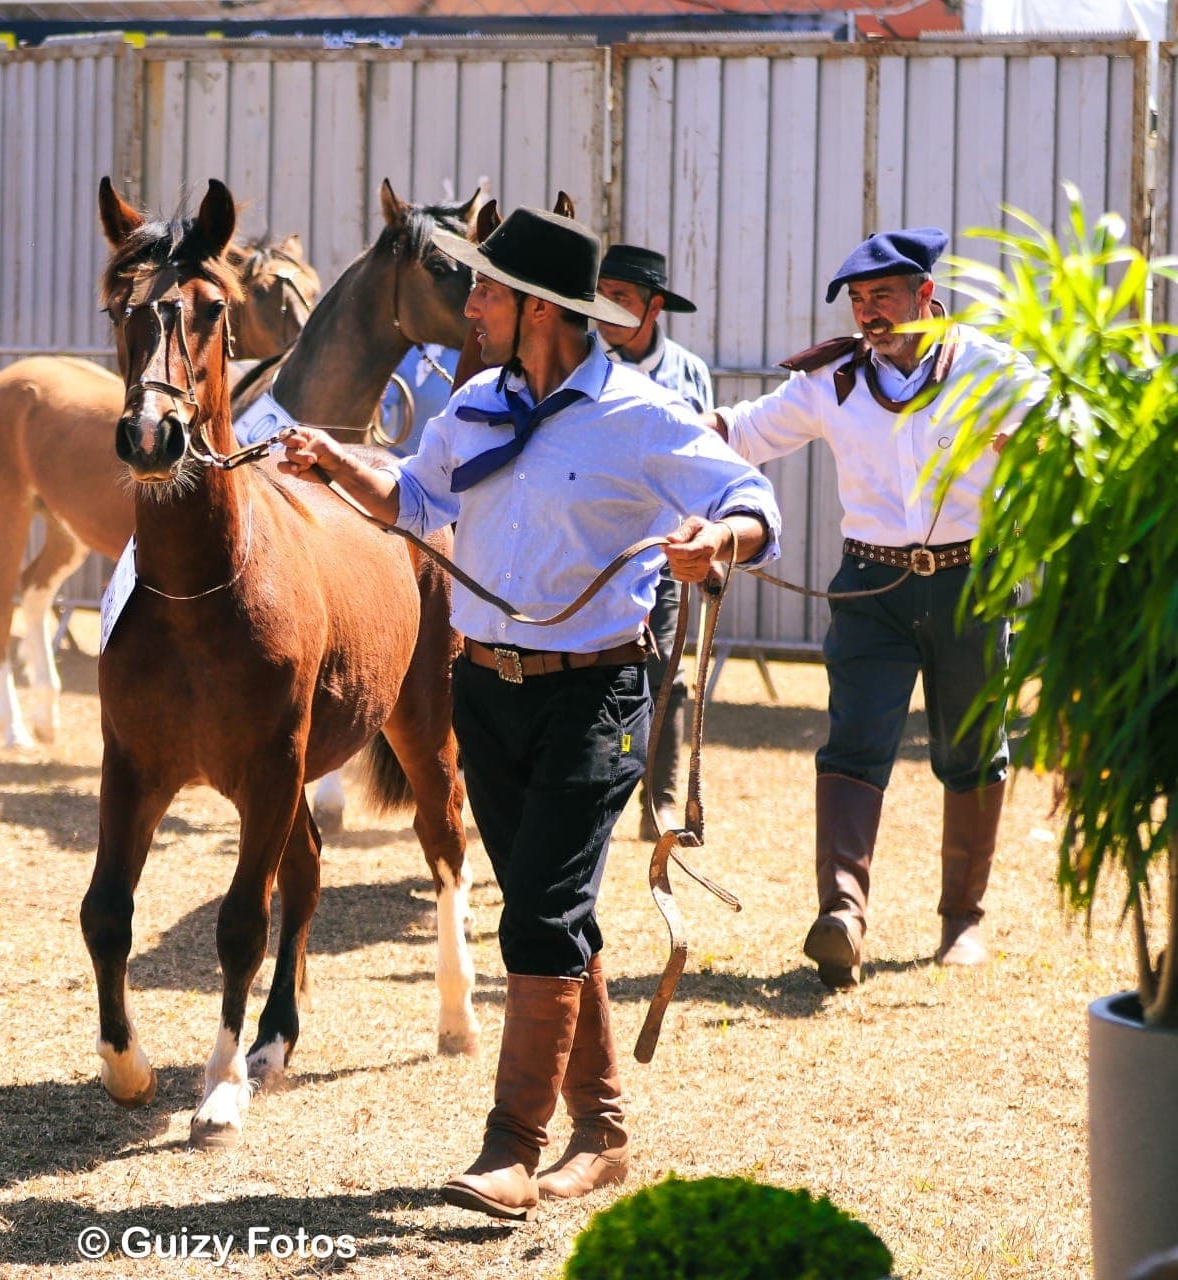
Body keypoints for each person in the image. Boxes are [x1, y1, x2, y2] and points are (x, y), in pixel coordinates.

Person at [277, 207, 781, 1220]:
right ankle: (604, 1132)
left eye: (487, 290)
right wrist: (334, 461)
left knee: (540, 913)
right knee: (555, 911)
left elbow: (754, 499)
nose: (471, 307)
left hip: (596, 692)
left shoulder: (641, 414)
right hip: (484, 690)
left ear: (539, 309)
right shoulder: (472, 405)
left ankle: (512, 1145)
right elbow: (414, 499)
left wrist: (715, 540)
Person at [702, 227, 1039, 989]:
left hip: (972, 581)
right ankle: (843, 917)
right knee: (854, 742)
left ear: (926, 294)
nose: (868, 314)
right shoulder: (835, 379)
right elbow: (747, 431)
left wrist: (1029, 451)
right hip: (870, 587)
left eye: (882, 296)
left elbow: (1059, 442)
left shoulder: (990, 369)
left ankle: (963, 919)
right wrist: (671, 435)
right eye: (858, 301)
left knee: (970, 746)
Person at [595, 245, 715, 840]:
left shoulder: (690, 374)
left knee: (666, 668)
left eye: (621, 298)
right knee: (599, 671)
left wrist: (711, 536)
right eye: (600, 296)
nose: (607, 309)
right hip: (595, 551)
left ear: (655, 306)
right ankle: (601, 791)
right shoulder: (582, 366)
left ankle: (661, 800)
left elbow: (708, 461)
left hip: (668, 551)